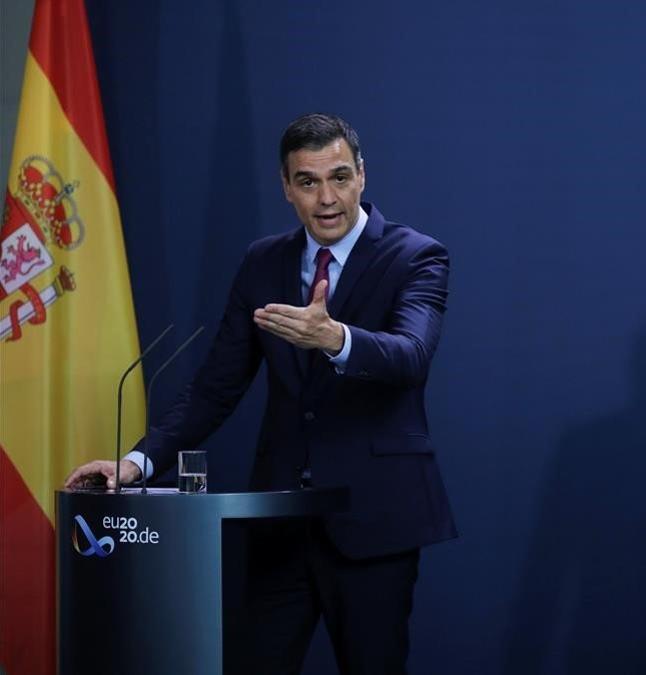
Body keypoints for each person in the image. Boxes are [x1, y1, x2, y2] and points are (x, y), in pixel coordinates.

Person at [65, 113, 456, 674]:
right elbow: (215, 387)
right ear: (286, 187)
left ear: (362, 176)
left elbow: (411, 356)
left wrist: (336, 338)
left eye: (339, 178)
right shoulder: (263, 262)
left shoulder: (415, 255)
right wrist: (137, 463)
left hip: (374, 517)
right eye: (308, 182)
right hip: (278, 520)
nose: (327, 198)